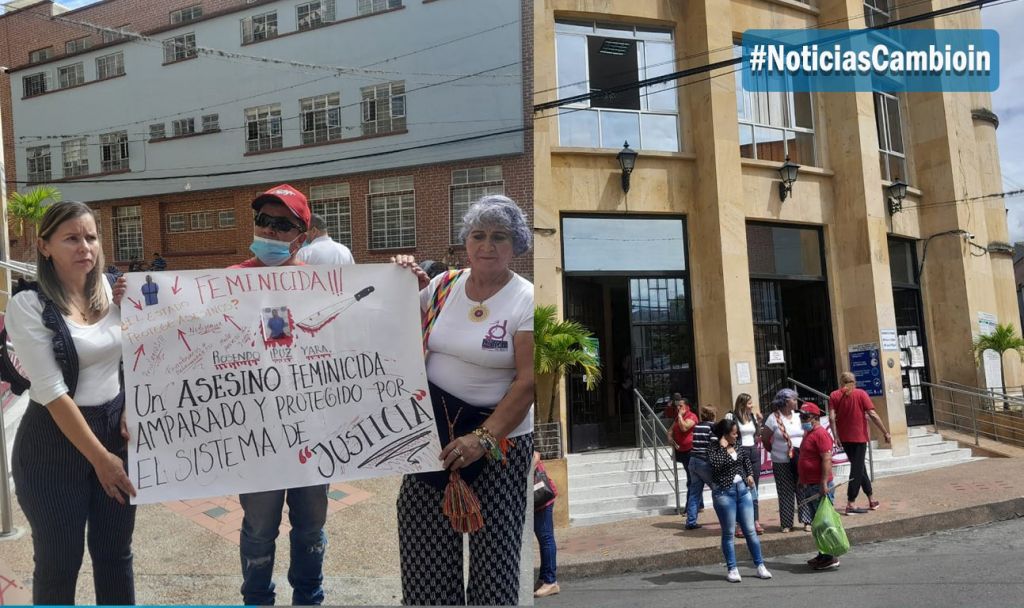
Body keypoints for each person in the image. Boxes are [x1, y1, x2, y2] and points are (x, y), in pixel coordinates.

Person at [395, 194, 534, 605]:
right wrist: (401, 281)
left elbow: (527, 382)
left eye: (499, 237)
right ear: (465, 241)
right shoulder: (443, 286)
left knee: (495, 570)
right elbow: (390, 325)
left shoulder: (526, 299)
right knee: (424, 558)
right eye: (478, 235)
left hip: (499, 447)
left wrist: (482, 439)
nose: (487, 246)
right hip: (433, 441)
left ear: (517, 245)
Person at [5, 201, 137, 605]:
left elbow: (141, 357)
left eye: (91, 237)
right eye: (72, 238)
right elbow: (49, 389)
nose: (86, 247)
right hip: (52, 444)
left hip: (114, 431)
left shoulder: (115, 294)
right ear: (44, 247)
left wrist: (131, 405)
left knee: (115, 556)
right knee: (59, 563)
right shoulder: (28, 305)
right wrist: (101, 459)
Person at [229, 184, 326, 606]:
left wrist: (406, 283)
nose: (269, 230)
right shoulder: (228, 281)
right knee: (258, 529)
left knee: (309, 528)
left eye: (282, 224)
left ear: (300, 237)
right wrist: (133, 303)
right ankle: (257, 599)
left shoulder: (323, 285)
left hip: (313, 430)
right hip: (258, 435)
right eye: (263, 221)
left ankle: (308, 597)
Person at [707, 418, 772, 583]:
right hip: (724, 493)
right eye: (734, 433)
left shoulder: (738, 445)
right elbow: (716, 465)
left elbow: (745, 461)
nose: (736, 436)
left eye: (737, 433)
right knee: (729, 532)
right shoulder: (713, 448)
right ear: (725, 434)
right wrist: (722, 447)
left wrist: (749, 475)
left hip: (742, 491)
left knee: (750, 530)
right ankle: (732, 568)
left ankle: (760, 565)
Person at [829, 371, 891, 515]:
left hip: (844, 437)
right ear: (854, 382)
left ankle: (871, 498)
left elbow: (832, 418)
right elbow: (873, 414)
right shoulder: (861, 394)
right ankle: (851, 503)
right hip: (859, 437)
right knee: (857, 470)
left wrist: (835, 436)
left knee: (860, 467)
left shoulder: (834, 395)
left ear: (841, 382)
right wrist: (885, 432)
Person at [761, 388, 811, 532]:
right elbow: (765, 439)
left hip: (800, 458)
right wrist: (775, 451)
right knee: (785, 491)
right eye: (793, 399)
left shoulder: (799, 416)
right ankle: (787, 523)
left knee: (802, 488)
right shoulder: (773, 418)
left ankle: (807, 520)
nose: (796, 402)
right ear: (784, 401)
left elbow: (807, 433)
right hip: (781, 460)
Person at [796, 403, 839, 570]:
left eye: (805, 417)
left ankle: (830, 556)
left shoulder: (821, 434)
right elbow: (806, 456)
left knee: (824, 522)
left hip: (820, 485)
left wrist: (823, 483)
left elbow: (826, 459)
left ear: (815, 418)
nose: (802, 420)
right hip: (809, 484)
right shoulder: (809, 433)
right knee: (817, 523)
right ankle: (823, 554)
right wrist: (801, 477)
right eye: (801, 417)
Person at [726, 393, 765, 535]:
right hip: (740, 452)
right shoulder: (731, 416)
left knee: (754, 487)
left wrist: (759, 422)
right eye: (749, 403)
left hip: (753, 451)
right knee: (741, 488)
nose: (752, 406)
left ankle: (755, 520)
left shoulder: (752, 417)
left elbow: (758, 434)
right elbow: (726, 434)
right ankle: (740, 524)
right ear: (742, 404)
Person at [684, 406, 717, 530]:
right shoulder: (712, 427)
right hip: (704, 461)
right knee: (717, 489)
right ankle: (725, 517)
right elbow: (713, 446)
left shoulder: (697, 426)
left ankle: (691, 521)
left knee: (694, 493)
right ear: (713, 415)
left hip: (693, 460)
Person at [532, 451, 559, 598]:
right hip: (538, 500)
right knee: (544, 539)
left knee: (546, 538)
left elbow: (535, 455)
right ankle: (544, 578)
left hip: (542, 498)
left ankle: (551, 582)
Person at [667, 394, 698, 516]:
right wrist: (670, 437)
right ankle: (698, 504)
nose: (678, 408)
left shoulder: (692, 417)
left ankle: (690, 508)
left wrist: (680, 416)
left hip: (691, 451)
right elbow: (670, 430)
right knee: (692, 478)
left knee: (691, 480)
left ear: (687, 407)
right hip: (681, 451)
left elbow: (684, 427)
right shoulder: (677, 418)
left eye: (681, 406)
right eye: (677, 406)